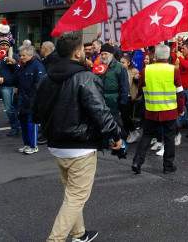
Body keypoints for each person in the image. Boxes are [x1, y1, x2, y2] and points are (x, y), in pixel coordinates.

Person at [33, 32, 123, 242]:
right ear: (77, 52)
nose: (87, 51)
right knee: (76, 197)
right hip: (80, 146)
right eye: (84, 48)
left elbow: (36, 111)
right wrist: (116, 136)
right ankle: (55, 239)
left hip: (56, 144)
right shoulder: (85, 77)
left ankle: (79, 233)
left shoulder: (47, 77)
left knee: (72, 194)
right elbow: (100, 111)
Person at [132, 44, 185, 174]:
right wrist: (181, 109)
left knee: (147, 136)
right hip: (169, 110)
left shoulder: (146, 70)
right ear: (168, 56)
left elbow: (140, 89)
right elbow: (179, 92)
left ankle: (137, 162)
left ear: (155, 56)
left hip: (151, 109)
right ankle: (168, 166)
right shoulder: (174, 70)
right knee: (169, 138)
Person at [15, 44, 46, 154]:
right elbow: (16, 80)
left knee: (31, 123)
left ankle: (33, 146)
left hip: (32, 100)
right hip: (22, 99)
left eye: (23, 55)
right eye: (20, 55)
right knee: (23, 123)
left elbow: (40, 85)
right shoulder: (22, 66)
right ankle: (27, 144)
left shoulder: (38, 66)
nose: (21, 57)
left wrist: (34, 99)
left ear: (30, 54)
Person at [97, 44, 130, 128]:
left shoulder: (119, 67)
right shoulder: (98, 67)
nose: (103, 56)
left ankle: (119, 139)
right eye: (102, 54)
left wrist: (123, 102)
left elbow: (124, 86)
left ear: (111, 55)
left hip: (114, 101)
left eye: (106, 54)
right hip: (101, 100)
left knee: (115, 122)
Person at [119, 54, 140, 134]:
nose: (121, 64)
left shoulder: (133, 71)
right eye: (120, 62)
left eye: (123, 62)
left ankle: (132, 131)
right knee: (125, 115)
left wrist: (136, 77)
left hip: (131, 97)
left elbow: (137, 81)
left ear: (128, 63)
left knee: (128, 115)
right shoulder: (119, 71)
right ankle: (128, 131)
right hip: (123, 96)